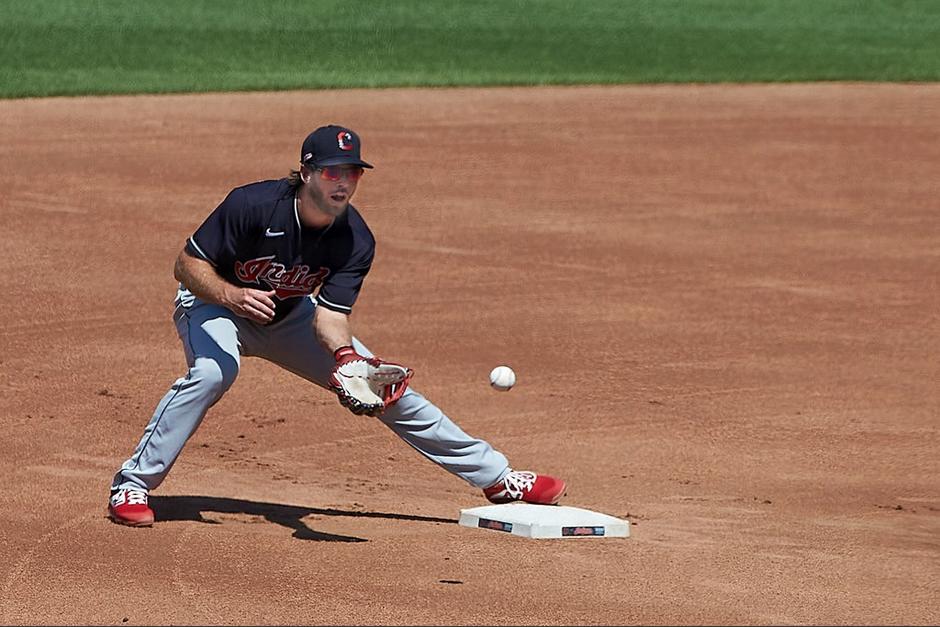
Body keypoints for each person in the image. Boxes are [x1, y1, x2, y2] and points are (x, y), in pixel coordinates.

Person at [107, 124, 566, 527]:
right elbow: (185, 264)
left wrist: (349, 361)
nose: (343, 181)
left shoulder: (355, 239)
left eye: (352, 173)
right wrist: (231, 295)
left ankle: (498, 479)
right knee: (212, 372)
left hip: (288, 318)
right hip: (214, 305)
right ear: (306, 173)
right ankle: (133, 484)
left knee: (383, 387)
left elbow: (330, 316)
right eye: (333, 171)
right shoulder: (252, 203)